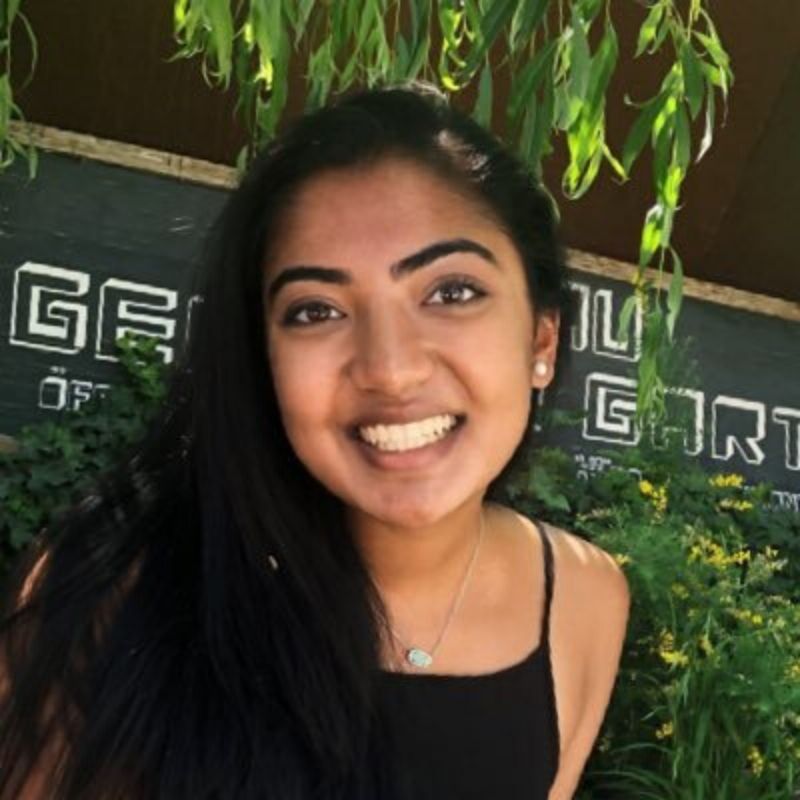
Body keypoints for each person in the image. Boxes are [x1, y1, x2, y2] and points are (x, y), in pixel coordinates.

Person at [0, 82, 629, 799]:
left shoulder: (585, 599)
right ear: (261, 357)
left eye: (450, 292)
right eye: (316, 310)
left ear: (541, 338)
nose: (390, 370)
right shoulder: (113, 596)